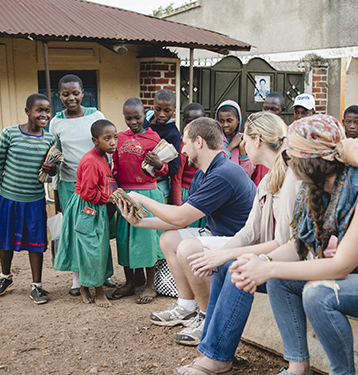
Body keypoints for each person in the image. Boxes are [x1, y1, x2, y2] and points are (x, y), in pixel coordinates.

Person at [230, 114, 358, 375]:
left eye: (290, 157)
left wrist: (268, 269)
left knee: (318, 294)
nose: (285, 162)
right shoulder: (317, 187)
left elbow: (340, 266)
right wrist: (263, 263)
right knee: (279, 280)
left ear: (309, 161)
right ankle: (297, 367)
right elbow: (298, 246)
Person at [174, 112, 300, 374]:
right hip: (274, 258)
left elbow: (283, 243)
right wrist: (219, 253)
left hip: (295, 263)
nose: (241, 144)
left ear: (257, 140)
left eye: (246, 139)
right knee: (225, 264)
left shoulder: (291, 180)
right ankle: (211, 351)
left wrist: (225, 256)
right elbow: (248, 232)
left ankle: (218, 357)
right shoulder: (267, 180)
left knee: (236, 267)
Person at [116, 117, 255, 345]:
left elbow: (180, 217)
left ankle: (207, 317)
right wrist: (139, 222)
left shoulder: (224, 173)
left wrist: (140, 198)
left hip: (243, 243)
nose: (182, 149)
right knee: (170, 239)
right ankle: (186, 306)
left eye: (185, 143)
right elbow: (179, 221)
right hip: (222, 236)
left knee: (189, 248)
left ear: (199, 142)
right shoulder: (205, 172)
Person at [0, 93, 56, 305]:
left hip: (34, 200)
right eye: (39, 110)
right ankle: (5, 277)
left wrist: (51, 168)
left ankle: (37, 286)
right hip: (8, 198)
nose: (44, 115)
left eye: (47, 111)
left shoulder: (50, 139)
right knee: (5, 241)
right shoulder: (9, 134)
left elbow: (54, 171)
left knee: (36, 244)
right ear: (28, 112)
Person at [49, 74, 114, 297]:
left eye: (75, 93)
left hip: (97, 185)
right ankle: (78, 279)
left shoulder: (95, 116)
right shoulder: (56, 122)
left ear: (82, 93)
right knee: (78, 231)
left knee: (99, 229)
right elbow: (55, 155)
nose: (71, 98)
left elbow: (107, 147)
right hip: (71, 186)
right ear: (59, 95)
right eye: (65, 94)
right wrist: (55, 190)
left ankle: (102, 275)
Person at [109, 98, 169, 304]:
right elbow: (115, 164)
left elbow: (165, 169)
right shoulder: (119, 138)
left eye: (137, 117)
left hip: (148, 193)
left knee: (148, 241)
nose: (133, 122)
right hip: (125, 192)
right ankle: (130, 282)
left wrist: (159, 164)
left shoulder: (154, 138)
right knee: (125, 239)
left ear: (145, 115)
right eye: (128, 118)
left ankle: (150, 285)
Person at [54, 119, 118, 308]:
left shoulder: (104, 156)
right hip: (87, 208)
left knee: (97, 246)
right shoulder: (91, 161)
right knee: (92, 248)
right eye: (107, 138)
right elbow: (88, 193)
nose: (113, 142)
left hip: (96, 206)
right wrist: (109, 197)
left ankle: (86, 285)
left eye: (115, 137)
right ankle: (96, 291)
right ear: (94, 140)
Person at [143, 89, 181, 203]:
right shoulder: (143, 120)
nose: (161, 114)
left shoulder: (173, 134)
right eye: (158, 109)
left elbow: (174, 168)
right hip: (137, 184)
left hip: (159, 187)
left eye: (167, 110)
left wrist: (159, 165)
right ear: (153, 106)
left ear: (174, 108)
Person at [172, 103, 206, 208]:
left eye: (197, 123)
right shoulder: (183, 147)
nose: (193, 127)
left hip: (205, 193)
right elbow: (176, 179)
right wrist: (179, 207)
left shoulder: (208, 144)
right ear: (183, 122)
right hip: (187, 194)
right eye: (188, 122)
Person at [251, 92, 287, 186]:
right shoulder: (254, 132)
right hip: (256, 188)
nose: (268, 113)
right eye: (265, 109)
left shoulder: (288, 134)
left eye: (274, 109)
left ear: (282, 110)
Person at [216, 100, 253, 178]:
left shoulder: (245, 141)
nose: (225, 125)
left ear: (238, 120)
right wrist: (230, 146)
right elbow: (214, 165)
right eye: (221, 121)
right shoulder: (214, 140)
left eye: (229, 121)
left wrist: (242, 151)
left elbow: (248, 173)